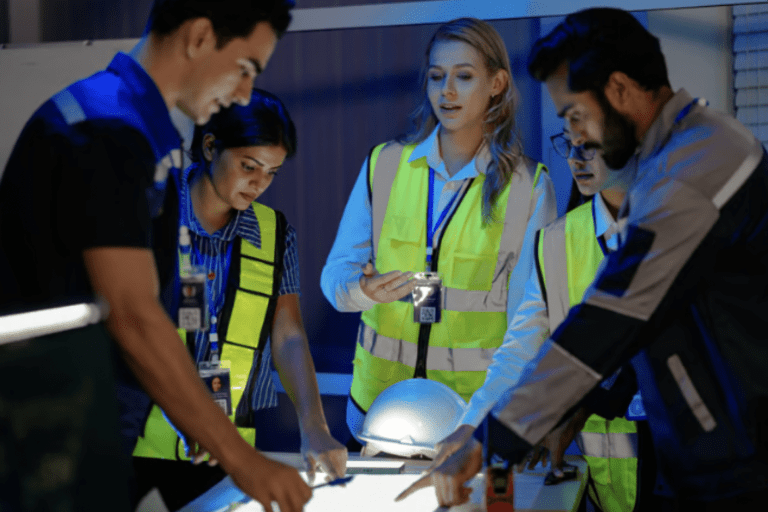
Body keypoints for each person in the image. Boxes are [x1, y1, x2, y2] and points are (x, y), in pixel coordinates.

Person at [398, 7, 768, 511]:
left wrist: (492, 441)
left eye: (576, 114)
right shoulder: (666, 164)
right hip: (701, 461)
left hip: (743, 469)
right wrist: (581, 408)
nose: (576, 138)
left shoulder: (702, 159)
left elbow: (611, 316)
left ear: (618, 90)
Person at [0, 1, 314, 511]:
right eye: (244, 69)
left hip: (80, 421)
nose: (243, 93)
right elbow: (132, 313)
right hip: (49, 431)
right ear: (199, 36)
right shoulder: (108, 130)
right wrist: (242, 458)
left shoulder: (137, 132)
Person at [320, 17, 556, 442]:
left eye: (463, 77)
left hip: (468, 422)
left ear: (497, 83)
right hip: (378, 417)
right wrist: (361, 290)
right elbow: (334, 278)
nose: (446, 91)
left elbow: (530, 322)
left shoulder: (529, 187)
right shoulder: (385, 165)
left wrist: (482, 423)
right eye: (436, 76)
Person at [409, 135, 653, 511]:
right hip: (604, 485)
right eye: (569, 145)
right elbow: (519, 351)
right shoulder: (556, 242)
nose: (575, 160)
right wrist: (471, 429)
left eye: (590, 144)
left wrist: (581, 406)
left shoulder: (685, 226)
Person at [133, 88, 348, 510]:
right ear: (210, 145)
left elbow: (287, 335)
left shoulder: (275, 232)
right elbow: (127, 326)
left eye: (272, 172)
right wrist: (188, 418)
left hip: (228, 453)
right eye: (249, 166)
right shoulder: (149, 213)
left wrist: (314, 425)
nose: (259, 184)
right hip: (137, 448)